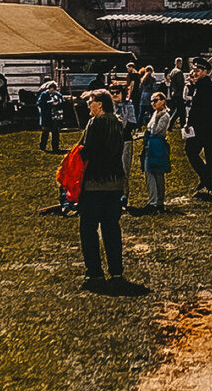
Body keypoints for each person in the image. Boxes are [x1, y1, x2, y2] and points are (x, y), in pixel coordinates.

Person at [77, 90, 127, 286]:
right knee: (111, 228)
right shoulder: (117, 122)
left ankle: (95, 272)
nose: (89, 105)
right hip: (115, 181)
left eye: (91, 101)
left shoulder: (96, 123)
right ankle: (116, 270)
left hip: (95, 183)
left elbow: (89, 151)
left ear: (100, 104)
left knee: (89, 228)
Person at [183, 58, 212, 197]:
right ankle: (208, 180)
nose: (195, 72)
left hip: (203, 126)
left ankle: (207, 180)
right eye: (194, 70)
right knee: (208, 154)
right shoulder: (200, 85)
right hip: (206, 125)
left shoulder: (208, 86)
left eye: (198, 70)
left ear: (205, 72)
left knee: (192, 151)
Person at [139, 92, 172, 213]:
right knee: (149, 173)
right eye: (151, 101)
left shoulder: (165, 115)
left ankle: (159, 201)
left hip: (158, 144)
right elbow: (149, 127)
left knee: (158, 174)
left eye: (156, 100)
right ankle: (152, 200)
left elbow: (156, 130)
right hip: (150, 145)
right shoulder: (154, 114)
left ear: (163, 101)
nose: (153, 103)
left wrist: (151, 128)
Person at [37, 81, 65, 153]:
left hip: (55, 116)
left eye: (54, 89)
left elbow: (62, 101)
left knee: (55, 132)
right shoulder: (44, 94)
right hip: (46, 115)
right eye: (51, 89)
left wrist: (58, 103)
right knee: (45, 132)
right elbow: (39, 103)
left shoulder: (58, 94)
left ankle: (55, 147)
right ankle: (42, 146)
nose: (52, 91)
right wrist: (49, 102)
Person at [167, 58, 186, 128]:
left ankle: (180, 125)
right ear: (178, 63)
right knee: (181, 111)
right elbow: (180, 84)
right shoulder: (179, 72)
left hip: (174, 93)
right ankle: (171, 125)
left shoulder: (172, 71)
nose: (181, 65)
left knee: (179, 111)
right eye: (180, 63)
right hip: (179, 93)